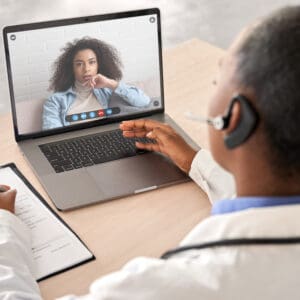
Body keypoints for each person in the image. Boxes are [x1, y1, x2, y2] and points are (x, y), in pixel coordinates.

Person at [1, 5, 300, 299]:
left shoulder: (173, 284)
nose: (86, 68)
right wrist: (195, 160)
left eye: (217, 79)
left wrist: (4, 226)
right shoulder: (57, 101)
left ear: (234, 120)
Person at [42, 37, 151, 130]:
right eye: (79, 64)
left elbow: (144, 102)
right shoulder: (55, 101)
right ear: (72, 68)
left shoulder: (107, 91)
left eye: (92, 62)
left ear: (99, 65)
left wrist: (111, 83)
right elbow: (52, 134)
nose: (86, 69)